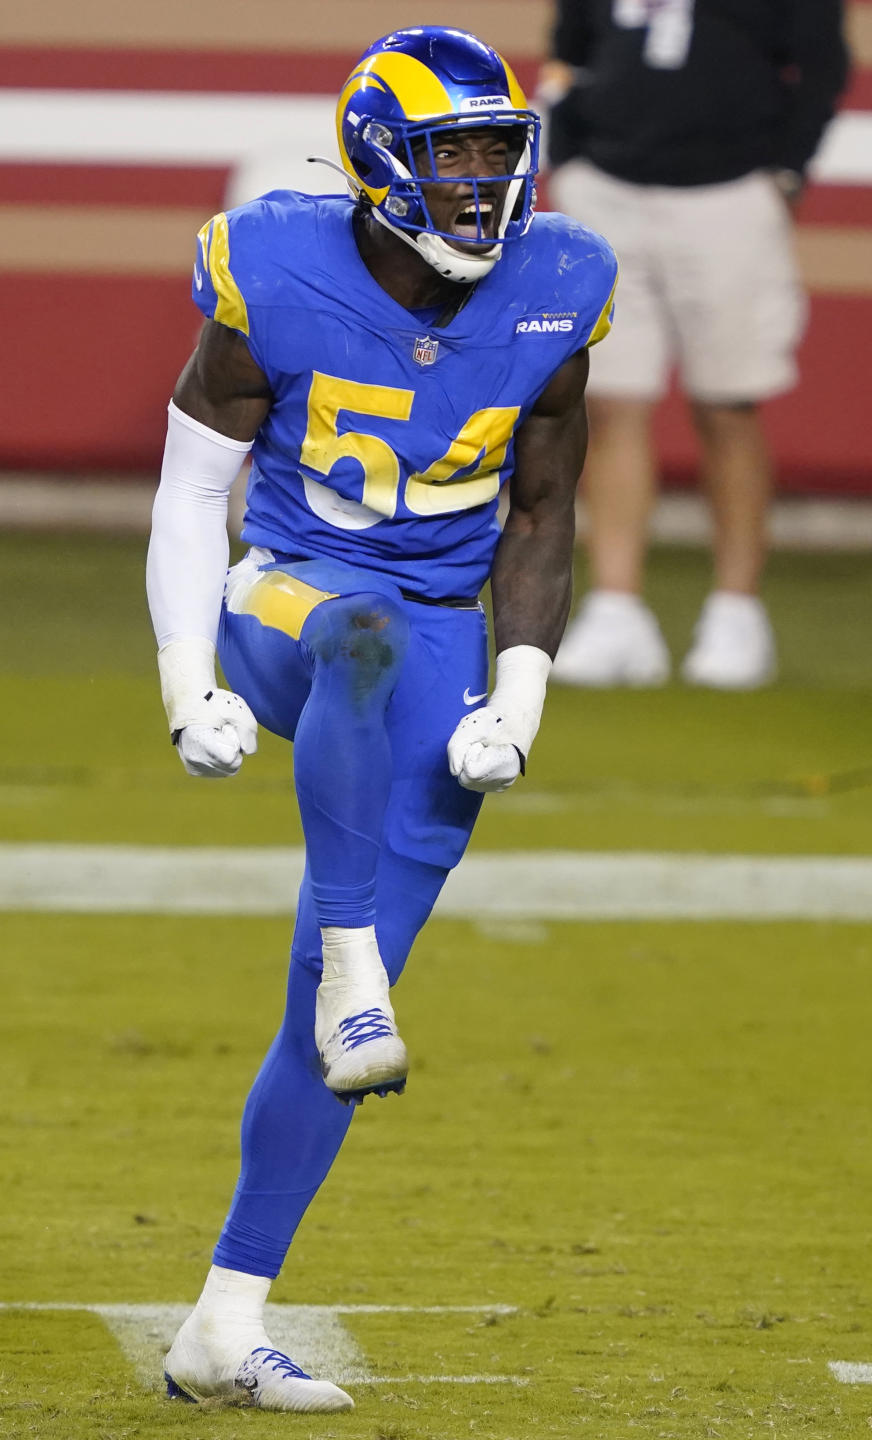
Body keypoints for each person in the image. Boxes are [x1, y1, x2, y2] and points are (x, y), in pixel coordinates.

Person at [146, 25, 617, 1413]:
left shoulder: (565, 279)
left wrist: (515, 701)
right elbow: (187, 495)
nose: (481, 182)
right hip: (288, 598)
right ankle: (357, 957)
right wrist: (191, 683)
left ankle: (223, 1323)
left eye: (497, 150)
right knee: (347, 635)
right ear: (376, 162)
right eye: (450, 152)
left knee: (322, 1037)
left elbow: (541, 507)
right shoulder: (271, 263)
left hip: (438, 637)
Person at [542, 0, 849, 689]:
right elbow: (570, 50)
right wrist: (567, 150)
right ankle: (616, 607)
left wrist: (787, 170)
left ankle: (736, 613)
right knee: (612, 402)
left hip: (729, 191)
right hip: (608, 188)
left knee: (729, 406)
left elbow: (822, 66)